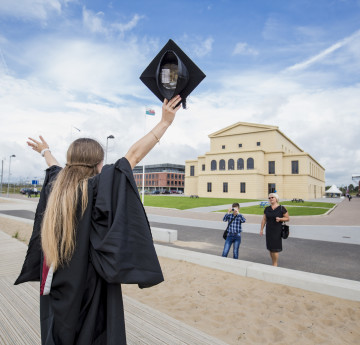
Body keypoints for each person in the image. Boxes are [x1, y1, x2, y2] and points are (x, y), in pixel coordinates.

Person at [15, 96, 182, 345]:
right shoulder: (96, 187)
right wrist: (165, 123)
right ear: (98, 163)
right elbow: (132, 156)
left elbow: (54, 168)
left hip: (58, 281)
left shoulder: (55, 187)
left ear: (71, 160)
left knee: (59, 332)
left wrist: (45, 151)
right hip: (90, 285)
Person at [260, 193, 290, 266]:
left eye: (272, 197)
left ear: (276, 198)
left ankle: (275, 263)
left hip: (277, 230)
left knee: (275, 248)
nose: (270, 199)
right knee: (270, 248)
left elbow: (288, 218)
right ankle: (273, 262)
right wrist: (261, 229)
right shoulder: (267, 208)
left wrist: (280, 219)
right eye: (269, 198)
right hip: (269, 230)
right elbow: (264, 219)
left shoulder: (281, 208)